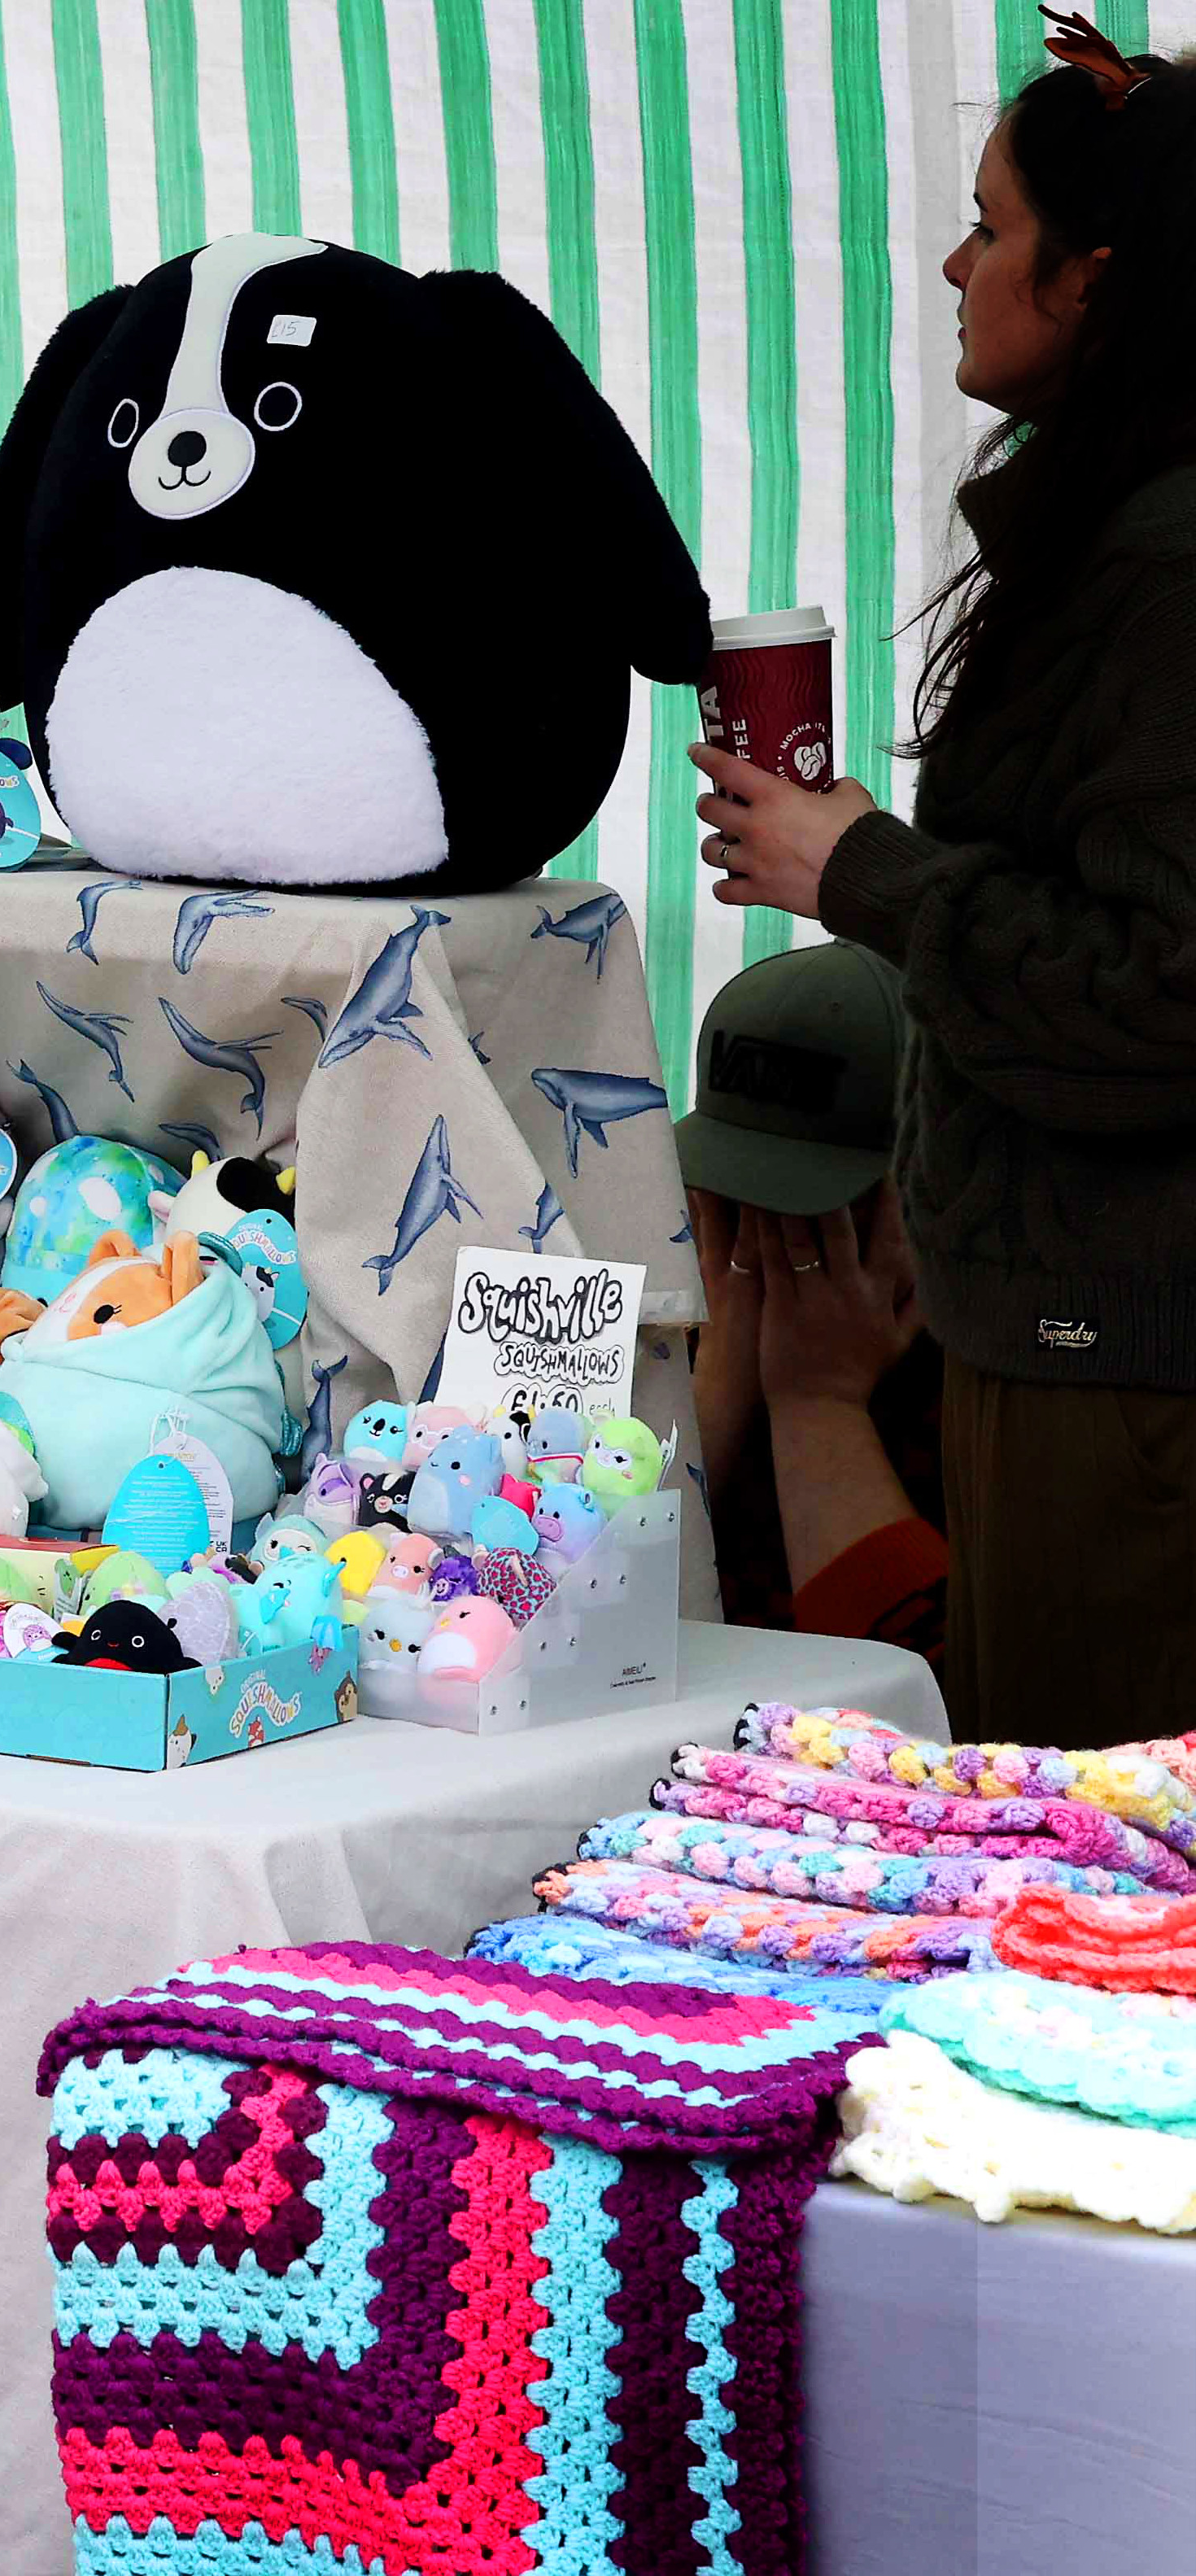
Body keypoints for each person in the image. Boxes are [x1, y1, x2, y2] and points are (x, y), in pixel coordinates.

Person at [690, 25, 1196, 1744]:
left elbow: (1163, 987)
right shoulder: (1120, 541)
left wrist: (867, 873)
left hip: (1122, 1362)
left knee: (1088, 1867)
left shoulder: (1169, 567)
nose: (953, 262)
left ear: (1097, 277)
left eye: (991, 225)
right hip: (1068, 1338)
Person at [681, 945, 947, 1670]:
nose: (761, 1245)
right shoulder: (685, 1311)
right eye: (732, 1201)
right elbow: (584, 1613)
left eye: (814, 1214)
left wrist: (817, 1402)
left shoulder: (998, 1376)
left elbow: (933, 1715)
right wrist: (725, 1366)